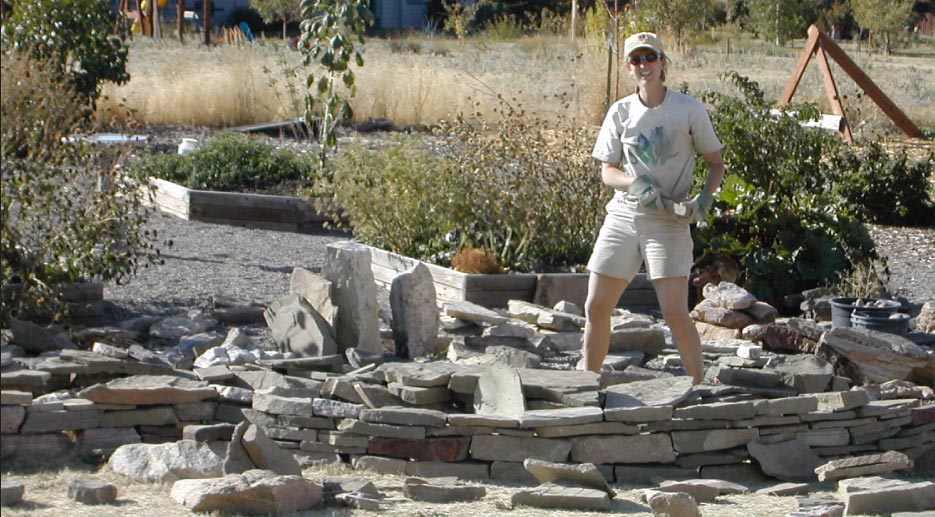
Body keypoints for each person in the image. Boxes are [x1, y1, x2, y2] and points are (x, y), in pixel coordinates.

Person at [582, 32, 726, 384]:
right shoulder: (620, 111)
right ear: (630, 68)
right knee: (596, 307)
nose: (644, 65)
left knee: (675, 311)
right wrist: (634, 183)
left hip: (669, 220)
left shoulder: (688, 109)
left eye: (650, 58)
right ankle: (584, 383)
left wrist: (703, 200)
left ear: (663, 63)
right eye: (636, 60)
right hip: (625, 216)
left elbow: (715, 162)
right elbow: (607, 170)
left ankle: (697, 385)